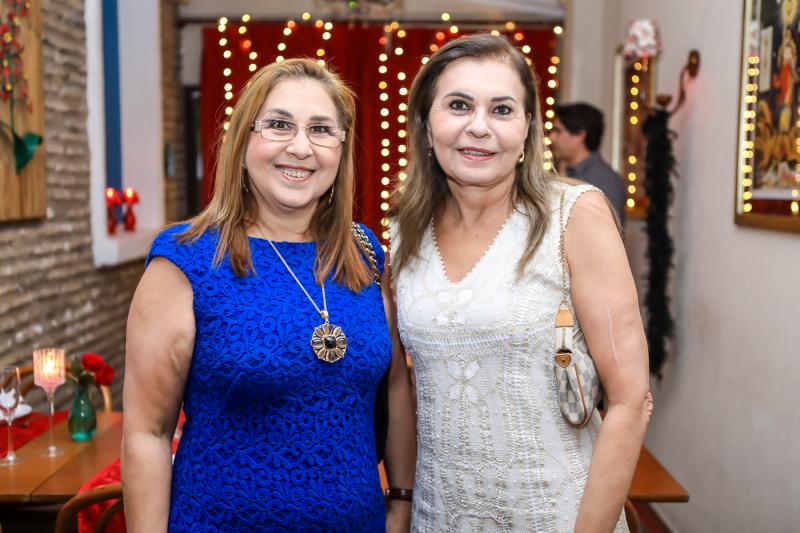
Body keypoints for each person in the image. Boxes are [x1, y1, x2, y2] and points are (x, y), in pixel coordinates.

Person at [122, 58, 416, 532]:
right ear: (243, 142)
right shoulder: (186, 261)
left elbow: (396, 386)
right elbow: (147, 434)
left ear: (341, 150)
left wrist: (401, 500)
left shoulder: (365, 254)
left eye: (321, 129)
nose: (300, 147)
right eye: (279, 125)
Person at [390, 34, 650, 532]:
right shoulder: (406, 232)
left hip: (554, 515)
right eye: (459, 105)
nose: (479, 126)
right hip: (438, 515)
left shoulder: (574, 214)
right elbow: (411, 388)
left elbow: (630, 400)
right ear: (425, 122)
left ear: (528, 127)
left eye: (502, 109)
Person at [549, 102, 627, 223]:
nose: (551, 137)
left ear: (580, 135)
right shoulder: (572, 172)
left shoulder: (603, 180)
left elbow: (605, 231)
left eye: (558, 131)